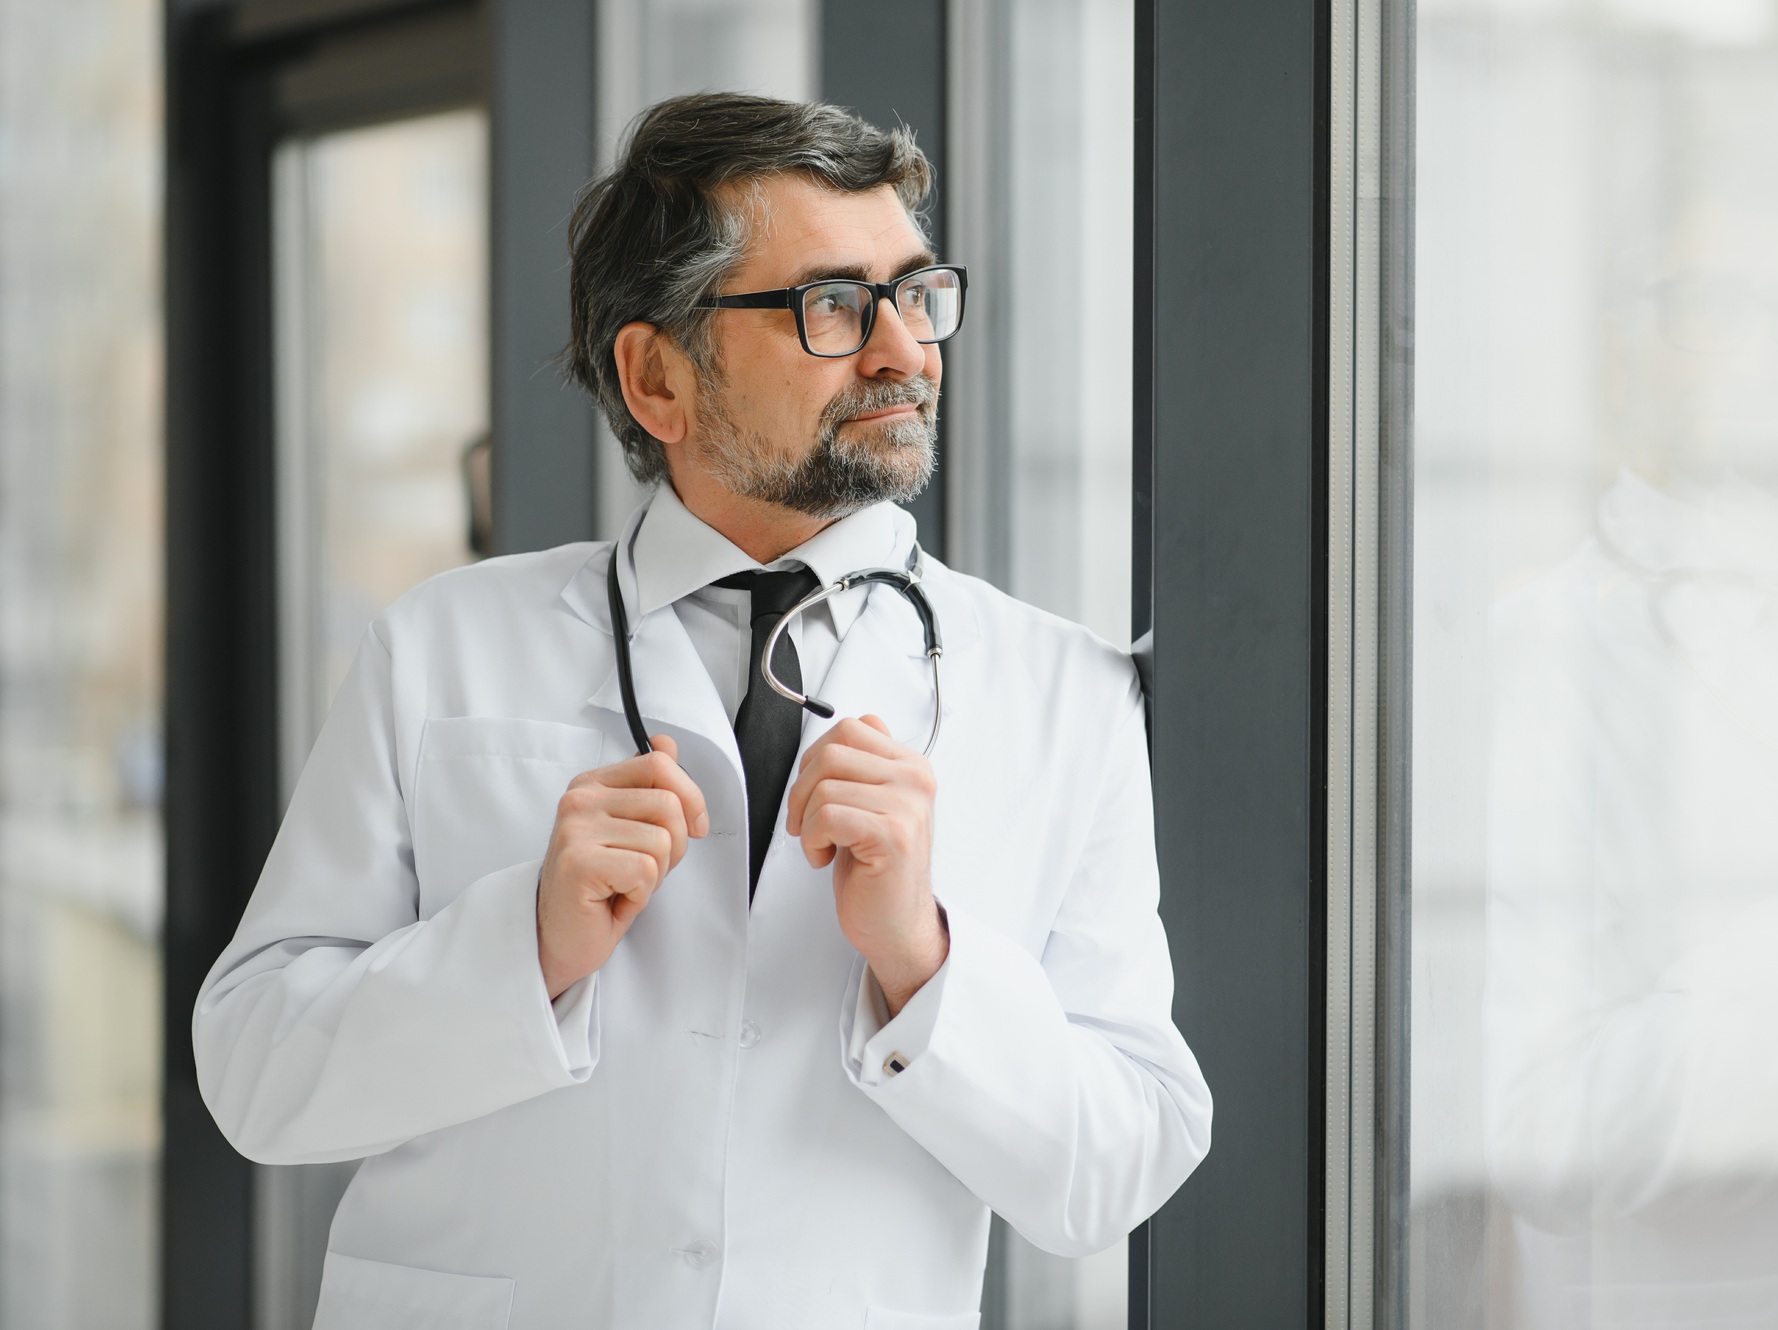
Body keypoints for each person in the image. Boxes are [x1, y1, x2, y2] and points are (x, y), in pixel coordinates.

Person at [193, 93, 1210, 1330]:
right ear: (656, 375)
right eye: (831, 306)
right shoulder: (443, 645)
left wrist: (924, 962)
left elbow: (1127, 1157)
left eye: (913, 291)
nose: (904, 350)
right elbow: (255, 1072)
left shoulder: (1066, 695)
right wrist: (523, 945)